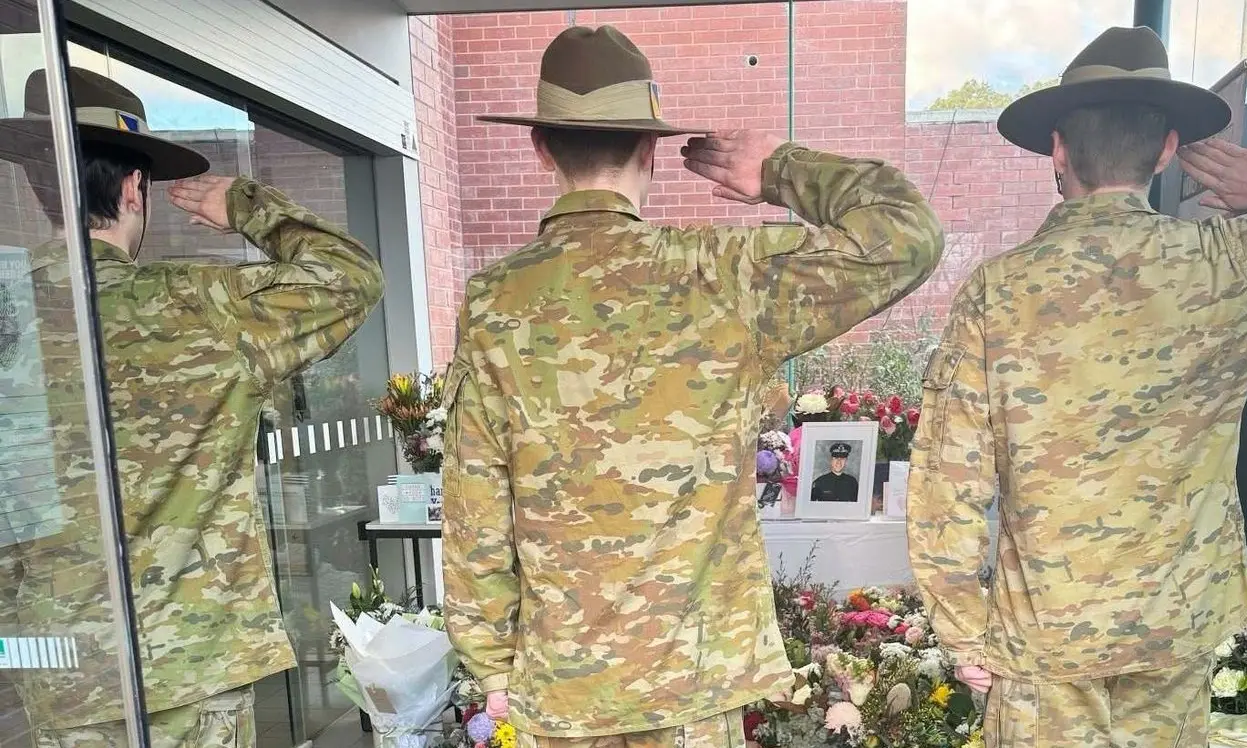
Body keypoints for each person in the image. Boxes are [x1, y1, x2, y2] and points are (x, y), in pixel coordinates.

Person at [442, 24, 942, 747]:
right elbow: (907, 234)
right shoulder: (722, 274)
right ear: (651, 149)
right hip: (692, 685)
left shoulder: (495, 301)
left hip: (563, 682)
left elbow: (475, 501)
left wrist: (490, 660)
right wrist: (780, 170)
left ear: (540, 147)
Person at [906, 26, 1247, 747]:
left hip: (1045, 637)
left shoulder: (999, 291)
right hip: (1179, 628)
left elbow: (948, 478)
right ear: (1168, 148)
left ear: (1058, 148)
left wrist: (961, 624)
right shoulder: (1229, 265)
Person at [0, 67, 384, 747]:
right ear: (133, 187)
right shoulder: (199, 305)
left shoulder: (10, 313)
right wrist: (248, 206)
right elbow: (351, 277)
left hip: (62, 671)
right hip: (193, 665)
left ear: (38, 184)